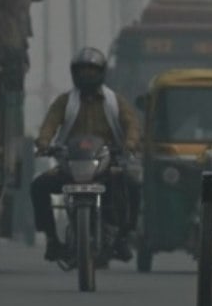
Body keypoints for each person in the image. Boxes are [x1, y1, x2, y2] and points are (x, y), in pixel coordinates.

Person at [30, 47, 142, 262]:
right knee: (39, 186)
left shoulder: (114, 101)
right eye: (82, 71)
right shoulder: (65, 102)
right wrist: (44, 142)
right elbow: (50, 123)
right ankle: (52, 239)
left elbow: (132, 124)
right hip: (71, 165)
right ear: (74, 73)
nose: (87, 75)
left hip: (107, 164)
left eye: (92, 70)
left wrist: (129, 143)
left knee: (133, 186)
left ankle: (124, 237)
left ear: (101, 72)